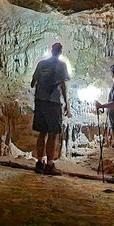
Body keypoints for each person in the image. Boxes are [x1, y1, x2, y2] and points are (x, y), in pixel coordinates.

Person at [31, 42, 71, 175]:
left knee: (42, 132)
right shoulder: (61, 65)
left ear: (51, 50)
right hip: (53, 102)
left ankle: (39, 162)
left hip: (41, 101)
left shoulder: (41, 64)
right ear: (60, 52)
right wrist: (67, 104)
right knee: (53, 134)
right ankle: (49, 164)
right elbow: (63, 85)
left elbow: (33, 82)